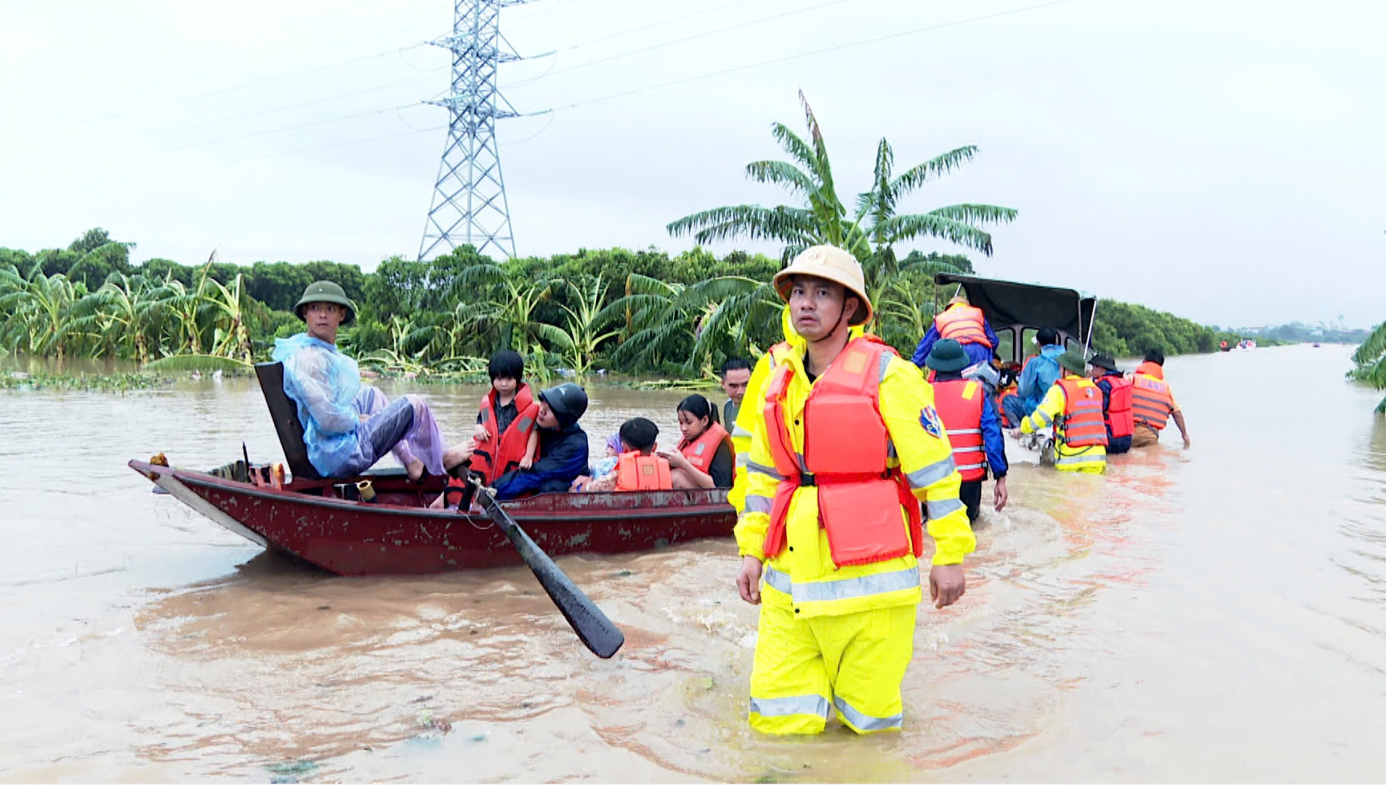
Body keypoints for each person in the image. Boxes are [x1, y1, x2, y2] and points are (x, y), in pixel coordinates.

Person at [735, 245, 973, 736]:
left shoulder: (891, 375)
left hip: (873, 595)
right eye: (798, 291)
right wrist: (751, 551)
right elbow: (761, 475)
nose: (805, 303)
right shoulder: (778, 379)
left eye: (822, 293)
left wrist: (950, 554)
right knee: (774, 728)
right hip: (790, 588)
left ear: (850, 309)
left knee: (870, 737)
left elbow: (936, 474)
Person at [272, 281, 459, 480]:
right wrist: (358, 420)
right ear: (305, 314)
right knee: (415, 405)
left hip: (329, 447)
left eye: (330, 308)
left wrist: (359, 419)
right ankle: (444, 457)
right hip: (337, 456)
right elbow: (327, 419)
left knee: (373, 395)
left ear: (341, 315)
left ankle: (411, 462)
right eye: (315, 308)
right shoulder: (309, 358)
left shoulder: (315, 350)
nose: (323, 315)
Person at [925, 339, 1009, 522]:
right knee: (972, 532)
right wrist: (1000, 477)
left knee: (935, 532)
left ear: (933, 365)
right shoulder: (976, 392)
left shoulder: (923, 394)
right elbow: (992, 436)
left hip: (934, 481)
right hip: (970, 482)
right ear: (962, 364)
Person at [490, 382, 591, 500]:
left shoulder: (575, 445)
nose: (542, 410)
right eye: (544, 401)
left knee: (548, 489)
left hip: (560, 490)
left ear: (565, 419)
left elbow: (537, 473)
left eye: (552, 409)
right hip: (518, 478)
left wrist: (493, 491)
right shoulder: (537, 424)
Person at [1016, 348, 1107, 473]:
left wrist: (1023, 428)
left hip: (1071, 459)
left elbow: (1041, 418)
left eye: (1060, 367)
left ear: (1067, 370)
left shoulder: (1059, 390)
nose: (1058, 371)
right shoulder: (1095, 390)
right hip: (1098, 459)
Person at [470, 350, 541, 484]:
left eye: (509, 379)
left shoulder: (527, 409)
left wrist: (529, 456)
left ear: (517, 379)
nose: (503, 383)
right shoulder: (488, 404)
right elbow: (481, 422)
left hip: (513, 465)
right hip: (489, 463)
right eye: (499, 378)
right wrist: (478, 428)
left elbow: (533, 431)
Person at [574, 417, 672, 492]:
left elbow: (586, 491)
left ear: (624, 447)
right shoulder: (666, 468)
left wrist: (586, 482)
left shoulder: (617, 473)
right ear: (654, 447)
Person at [658, 394, 735, 489]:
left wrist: (683, 464)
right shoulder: (690, 439)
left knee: (677, 477)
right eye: (681, 423)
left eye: (689, 422)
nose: (683, 428)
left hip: (715, 498)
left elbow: (721, 488)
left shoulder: (720, 444)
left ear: (704, 420)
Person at [911, 293, 1000, 371]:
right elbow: (994, 341)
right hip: (979, 350)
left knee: (955, 384)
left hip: (955, 352)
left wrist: (913, 365)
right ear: (968, 306)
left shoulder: (942, 318)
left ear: (949, 307)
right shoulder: (976, 314)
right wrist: (989, 356)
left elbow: (925, 347)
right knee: (982, 385)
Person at [1002, 327, 1065, 428]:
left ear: (1039, 345)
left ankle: (1020, 431)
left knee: (1008, 401)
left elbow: (1023, 391)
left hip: (1041, 410)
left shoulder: (1035, 362)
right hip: (1062, 412)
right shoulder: (1066, 361)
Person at [1130, 349, 1191, 449]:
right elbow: (1177, 414)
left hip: (1127, 434)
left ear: (1144, 361)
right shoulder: (1165, 388)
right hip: (1150, 437)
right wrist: (1185, 435)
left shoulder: (1131, 379)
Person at [1088, 352, 1133, 455]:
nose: (1091, 370)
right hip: (1127, 439)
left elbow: (1095, 410)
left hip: (1110, 437)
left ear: (1101, 369)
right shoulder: (1124, 383)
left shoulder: (1102, 386)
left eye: (1094, 367)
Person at [720, 357, 753, 426]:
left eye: (745, 384)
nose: (740, 391)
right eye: (734, 386)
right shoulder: (728, 407)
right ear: (723, 384)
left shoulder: (763, 409)